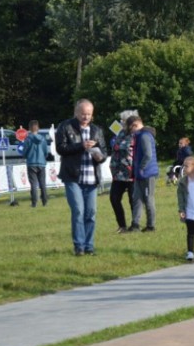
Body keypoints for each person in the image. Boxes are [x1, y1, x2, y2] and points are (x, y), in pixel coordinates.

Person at [55, 99, 107, 256]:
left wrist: (100, 157)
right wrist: (81, 146)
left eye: (89, 114)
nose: (86, 117)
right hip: (73, 177)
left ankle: (89, 246)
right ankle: (79, 246)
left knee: (90, 213)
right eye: (83, 114)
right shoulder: (65, 126)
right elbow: (60, 148)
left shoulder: (97, 130)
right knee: (78, 210)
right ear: (76, 112)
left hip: (92, 178)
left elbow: (104, 151)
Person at [126, 116, 159, 232]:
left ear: (135, 125)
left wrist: (141, 167)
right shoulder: (140, 136)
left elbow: (148, 155)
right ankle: (135, 224)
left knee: (148, 199)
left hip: (147, 173)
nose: (131, 133)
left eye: (131, 130)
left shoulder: (144, 136)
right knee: (137, 199)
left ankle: (151, 226)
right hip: (140, 173)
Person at [109, 109, 138, 233]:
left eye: (123, 121)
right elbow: (115, 144)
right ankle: (122, 225)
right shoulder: (121, 132)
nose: (121, 123)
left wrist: (117, 145)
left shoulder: (136, 133)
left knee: (133, 200)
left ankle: (135, 225)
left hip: (131, 172)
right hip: (118, 173)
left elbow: (124, 145)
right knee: (114, 198)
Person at [23, 120, 49, 207]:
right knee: (42, 183)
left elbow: (24, 152)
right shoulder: (43, 139)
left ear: (29, 128)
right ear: (38, 128)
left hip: (31, 163)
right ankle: (45, 201)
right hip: (41, 163)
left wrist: (26, 156)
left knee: (33, 184)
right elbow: (46, 152)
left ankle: (34, 203)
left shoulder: (28, 139)